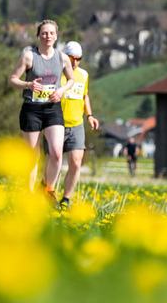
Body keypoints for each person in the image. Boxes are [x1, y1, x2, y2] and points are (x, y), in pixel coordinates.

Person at [7, 19, 75, 201]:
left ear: (56, 36)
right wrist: (28, 84)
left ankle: (48, 190)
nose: (48, 37)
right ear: (38, 35)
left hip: (53, 109)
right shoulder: (29, 57)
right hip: (32, 110)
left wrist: (60, 91)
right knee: (32, 155)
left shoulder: (62, 58)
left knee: (57, 152)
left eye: (51, 33)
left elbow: (71, 79)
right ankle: (28, 195)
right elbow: (12, 79)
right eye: (44, 33)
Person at [55, 41, 99, 208]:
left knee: (76, 161)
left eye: (78, 59)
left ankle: (66, 199)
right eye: (72, 58)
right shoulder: (56, 73)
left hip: (76, 124)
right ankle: (47, 188)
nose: (75, 62)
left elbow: (84, 96)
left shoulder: (83, 75)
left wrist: (90, 115)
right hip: (56, 123)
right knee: (54, 161)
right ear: (65, 56)